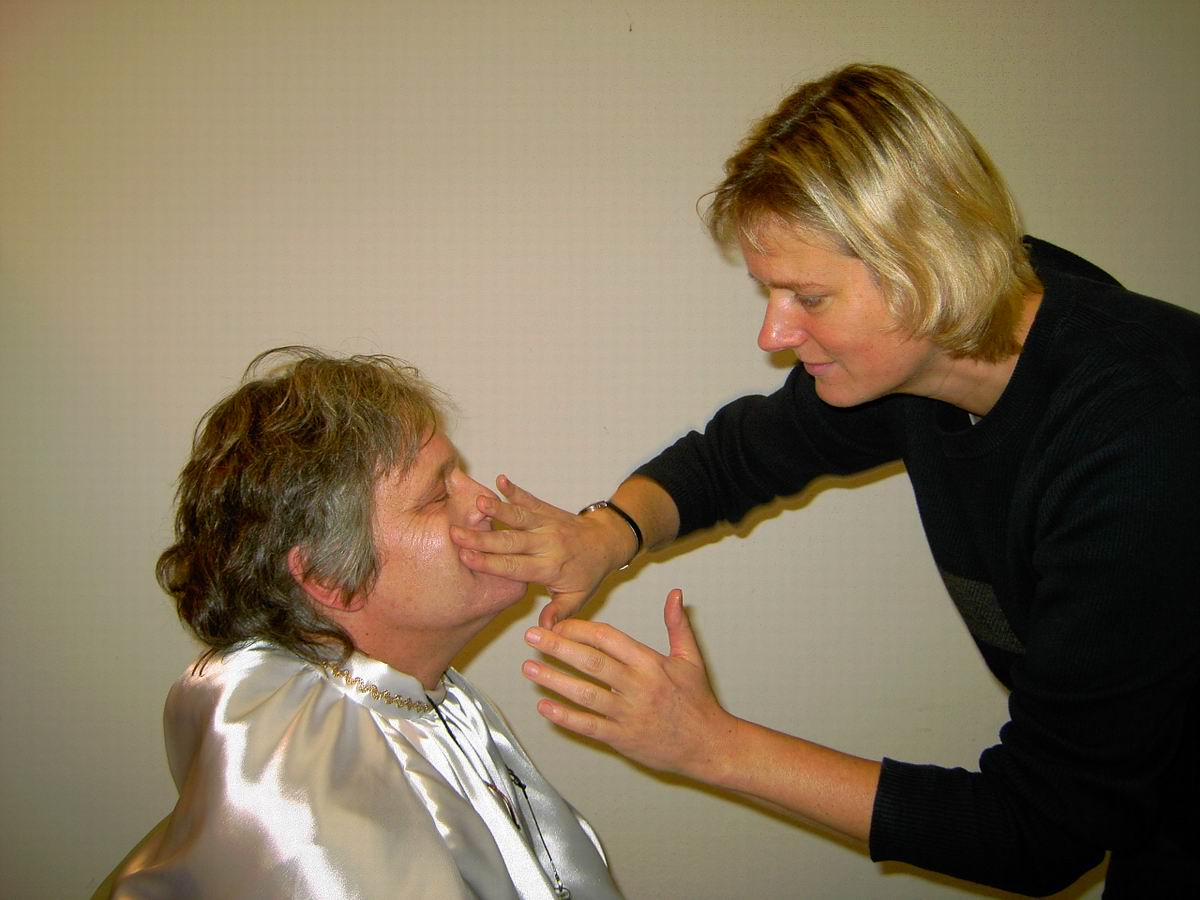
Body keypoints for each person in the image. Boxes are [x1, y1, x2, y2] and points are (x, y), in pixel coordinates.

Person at [450, 64, 1200, 896]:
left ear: (930, 263)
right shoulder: (943, 344)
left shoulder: (1142, 446)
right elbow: (738, 455)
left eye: (808, 296)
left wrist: (712, 746)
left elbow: (1039, 832)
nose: (773, 333)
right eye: (770, 292)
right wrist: (605, 533)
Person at [107, 347, 622, 900]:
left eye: (461, 474)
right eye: (436, 495)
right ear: (328, 577)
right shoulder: (302, 791)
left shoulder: (415, 699)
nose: (483, 501)